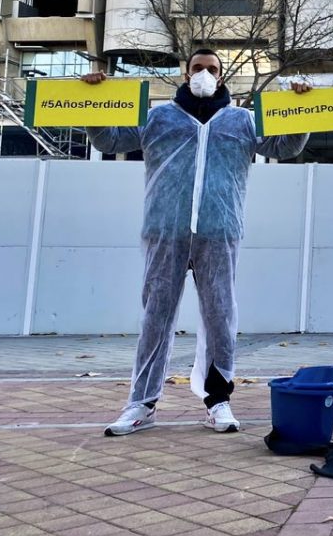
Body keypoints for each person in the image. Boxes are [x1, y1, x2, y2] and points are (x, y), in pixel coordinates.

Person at [83, 49, 311, 436]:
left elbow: (285, 147)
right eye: (197, 68)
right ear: (185, 73)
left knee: (220, 316)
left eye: (212, 69)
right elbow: (108, 140)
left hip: (218, 231)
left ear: (221, 77)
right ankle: (141, 403)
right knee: (155, 316)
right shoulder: (158, 117)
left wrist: (303, 109)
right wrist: (90, 101)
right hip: (165, 231)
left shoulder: (242, 121)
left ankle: (218, 400)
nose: (204, 74)